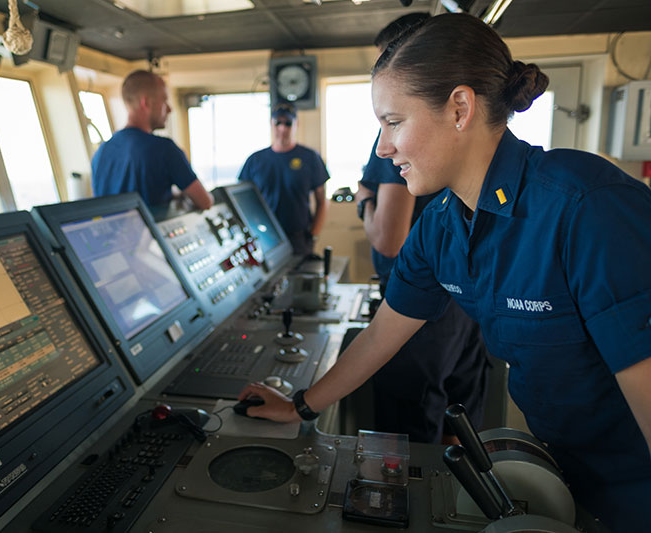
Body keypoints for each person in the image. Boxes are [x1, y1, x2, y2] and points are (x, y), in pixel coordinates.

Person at [240, 13, 651, 531]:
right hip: (563, 475)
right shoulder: (441, 225)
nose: (383, 148)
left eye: (393, 123)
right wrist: (301, 406)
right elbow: (384, 332)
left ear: (459, 108)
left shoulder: (587, 208)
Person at [356, 12, 490, 445]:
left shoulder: (404, 142)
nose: (385, 143)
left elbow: (390, 239)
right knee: (458, 424)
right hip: (460, 301)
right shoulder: (445, 193)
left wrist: (363, 202)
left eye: (386, 63)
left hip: (425, 311)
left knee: (408, 440)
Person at [91, 70, 213, 210]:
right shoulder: (165, 149)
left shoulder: (101, 151)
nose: (169, 109)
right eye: (164, 100)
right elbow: (205, 202)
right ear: (146, 103)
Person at [237, 102, 329, 255]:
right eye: (278, 123)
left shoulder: (310, 157)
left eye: (288, 123)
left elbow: (322, 201)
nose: (282, 128)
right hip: (264, 238)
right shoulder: (255, 160)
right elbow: (242, 201)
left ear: (296, 124)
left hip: (298, 238)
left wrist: (312, 236)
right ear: (271, 124)